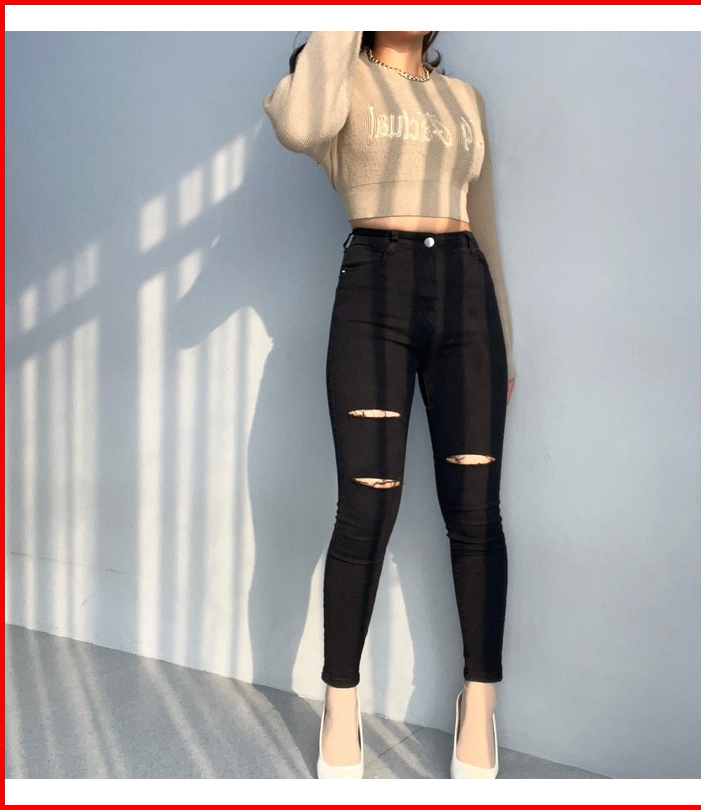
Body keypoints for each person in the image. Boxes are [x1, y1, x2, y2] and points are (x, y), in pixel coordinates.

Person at [263, 30, 515, 779]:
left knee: (477, 512)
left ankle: (481, 701)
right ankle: (340, 702)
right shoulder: (339, 81)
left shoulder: (464, 98)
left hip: (467, 298)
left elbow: (485, 221)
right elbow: (297, 126)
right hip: (375, 291)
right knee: (366, 508)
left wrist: (504, 338)